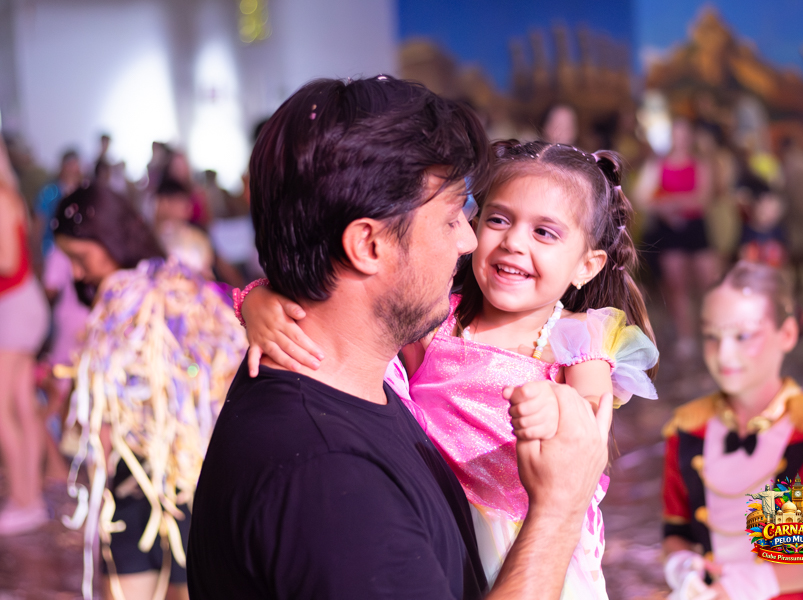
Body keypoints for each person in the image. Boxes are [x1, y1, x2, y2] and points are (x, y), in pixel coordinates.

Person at [186, 76, 614, 600]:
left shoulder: (357, 386)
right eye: (454, 218)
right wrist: (558, 511)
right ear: (368, 245)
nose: (471, 240)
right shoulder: (332, 483)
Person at [243, 140, 661, 597]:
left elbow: (587, 427)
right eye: (498, 220)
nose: (513, 242)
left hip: (524, 538)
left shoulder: (578, 339)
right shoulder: (437, 320)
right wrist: (259, 301)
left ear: (587, 265)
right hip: (435, 520)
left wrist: (556, 406)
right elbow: (348, 310)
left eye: (544, 233)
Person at [52, 184, 245, 600]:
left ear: (108, 238)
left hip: (181, 478)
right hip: (152, 478)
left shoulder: (142, 294)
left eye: (81, 258)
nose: (78, 274)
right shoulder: (164, 288)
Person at [661, 261, 803, 599]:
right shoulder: (688, 429)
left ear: (786, 334)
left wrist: (753, 584)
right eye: (712, 336)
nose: (724, 353)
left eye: (743, 335)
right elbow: (676, 529)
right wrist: (683, 566)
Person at [0, 137, 50, 535]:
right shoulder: (8, 194)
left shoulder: (2, 197)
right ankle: (28, 499)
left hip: (16, 303)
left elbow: (8, 262)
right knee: (21, 403)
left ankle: (24, 499)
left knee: (4, 407)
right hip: (20, 302)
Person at [636, 118, 718, 359]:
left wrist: (670, 202)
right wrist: (665, 208)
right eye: (676, 134)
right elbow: (641, 197)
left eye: (684, 134)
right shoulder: (657, 165)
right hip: (669, 230)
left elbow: (703, 198)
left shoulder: (699, 164)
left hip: (696, 228)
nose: (680, 139)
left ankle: (713, 331)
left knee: (709, 282)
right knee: (676, 285)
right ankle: (686, 336)